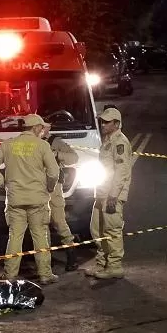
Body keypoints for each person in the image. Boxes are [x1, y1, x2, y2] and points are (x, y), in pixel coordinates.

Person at [0, 114, 60, 285]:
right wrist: (49, 187)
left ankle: (10, 274)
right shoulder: (42, 145)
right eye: (41, 127)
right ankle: (45, 274)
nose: (43, 130)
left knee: (15, 237)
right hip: (38, 199)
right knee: (40, 236)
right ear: (35, 127)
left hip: (15, 199)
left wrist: (4, 184)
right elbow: (54, 172)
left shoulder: (8, 144)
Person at [86, 107, 133, 279]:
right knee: (97, 230)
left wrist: (113, 195)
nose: (103, 124)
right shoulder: (108, 140)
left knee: (112, 231)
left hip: (112, 195)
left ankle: (114, 266)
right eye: (102, 121)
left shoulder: (120, 142)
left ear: (116, 123)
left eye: (107, 122)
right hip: (102, 192)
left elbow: (122, 172)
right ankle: (101, 264)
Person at [42, 123, 80, 272]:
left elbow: (74, 157)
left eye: (43, 126)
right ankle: (46, 260)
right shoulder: (31, 142)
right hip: (37, 187)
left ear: (48, 128)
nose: (40, 129)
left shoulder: (55, 142)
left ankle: (71, 255)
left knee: (59, 221)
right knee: (42, 224)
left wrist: (57, 154)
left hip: (54, 188)